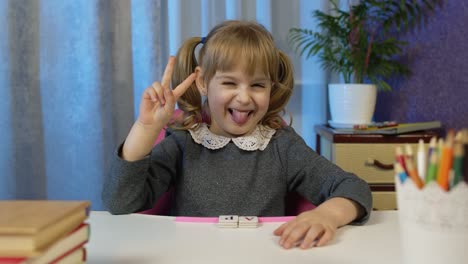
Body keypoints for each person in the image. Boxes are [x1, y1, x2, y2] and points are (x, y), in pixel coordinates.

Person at [102, 20, 372, 249]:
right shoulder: (183, 142)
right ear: (203, 82)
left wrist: (327, 215)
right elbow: (121, 201)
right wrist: (146, 129)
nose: (244, 97)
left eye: (257, 85)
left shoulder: (282, 145)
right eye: (230, 83)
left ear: (270, 87)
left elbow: (354, 188)